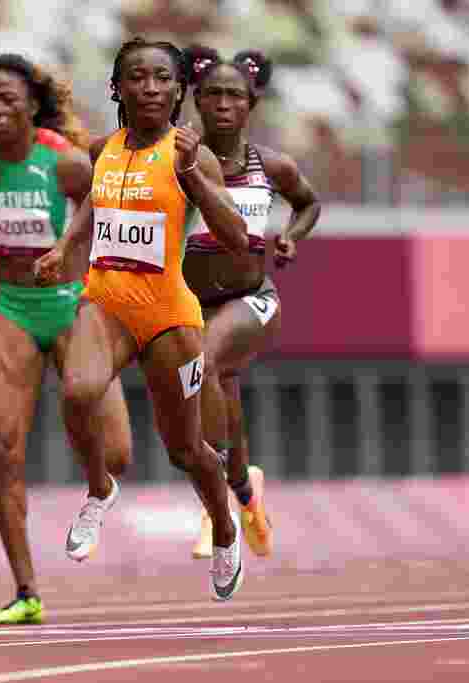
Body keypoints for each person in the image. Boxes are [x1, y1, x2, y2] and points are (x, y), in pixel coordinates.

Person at [34, 37, 249, 601]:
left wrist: (193, 177)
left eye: (161, 78)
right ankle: (100, 489)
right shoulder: (103, 148)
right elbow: (91, 206)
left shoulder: (191, 153)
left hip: (169, 317)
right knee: (78, 392)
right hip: (104, 301)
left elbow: (236, 238)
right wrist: (64, 248)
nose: (149, 88)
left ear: (179, 91)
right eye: (137, 77)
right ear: (118, 88)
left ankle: (225, 530)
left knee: (187, 450)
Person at [0, 53, 134, 625]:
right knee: (3, 451)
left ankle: (99, 486)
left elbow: (111, 211)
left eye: (8, 99)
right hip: (14, 308)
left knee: (119, 454)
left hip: (74, 305)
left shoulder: (65, 163)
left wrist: (75, 254)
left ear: (32, 105)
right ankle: (26, 589)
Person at [182, 46, 322, 560]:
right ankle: (245, 492)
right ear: (195, 100)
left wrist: (291, 236)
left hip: (252, 300)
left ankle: (212, 503)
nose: (223, 104)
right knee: (223, 400)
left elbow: (308, 203)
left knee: (204, 360)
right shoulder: (178, 163)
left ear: (251, 104)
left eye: (234, 95)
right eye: (213, 94)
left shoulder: (272, 165)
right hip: (194, 305)